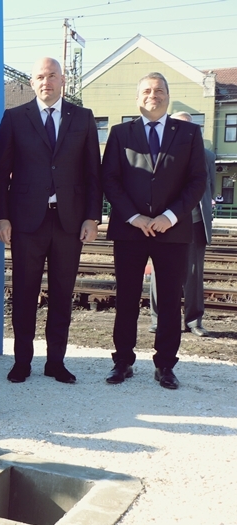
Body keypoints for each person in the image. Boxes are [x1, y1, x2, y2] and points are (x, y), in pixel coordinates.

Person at [0, 57, 102, 384]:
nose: (46, 81)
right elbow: (0, 174)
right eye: (40, 76)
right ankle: (22, 362)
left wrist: (92, 217)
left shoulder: (82, 117)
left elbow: (93, 173)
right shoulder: (14, 117)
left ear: (62, 80)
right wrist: (1, 217)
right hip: (26, 222)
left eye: (52, 75)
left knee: (62, 294)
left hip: (69, 221)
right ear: (32, 82)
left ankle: (56, 362)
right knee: (24, 294)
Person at [103, 73, 206, 390]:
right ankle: (122, 361)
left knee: (171, 299)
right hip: (130, 230)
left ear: (167, 96)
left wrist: (170, 216)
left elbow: (197, 181)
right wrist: (134, 217)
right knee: (127, 297)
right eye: (146, 90)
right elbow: (110, 179)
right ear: (137, 97)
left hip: (171, 230)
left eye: (159, 90)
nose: (153, 95)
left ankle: (165, 365)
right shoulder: (120, 133)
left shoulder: (189, 133)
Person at [149, 111, 214, 338]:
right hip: (165, 222)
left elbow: (209, 189)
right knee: (160, 272)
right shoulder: (159, 151)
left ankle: (194, 321)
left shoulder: (207, 155)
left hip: (195, 222)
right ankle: (158, 319)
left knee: (194, 274)